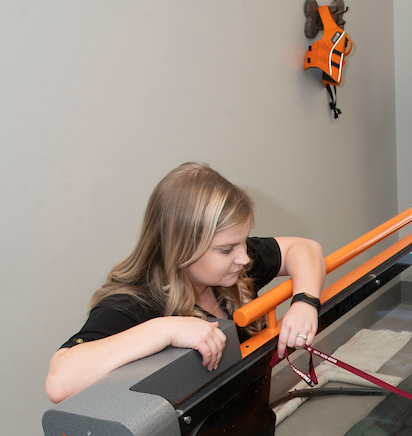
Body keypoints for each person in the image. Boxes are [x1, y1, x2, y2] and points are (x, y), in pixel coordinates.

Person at [46, 162, 326, 403]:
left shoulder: (229, 267)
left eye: (243, 241)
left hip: (252, 426)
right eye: (227, 249)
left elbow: (305, 248)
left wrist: (305, 302)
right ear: (182, 248)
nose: (243, 258)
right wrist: (165, 329)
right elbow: (60, 382)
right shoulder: (134, 303)